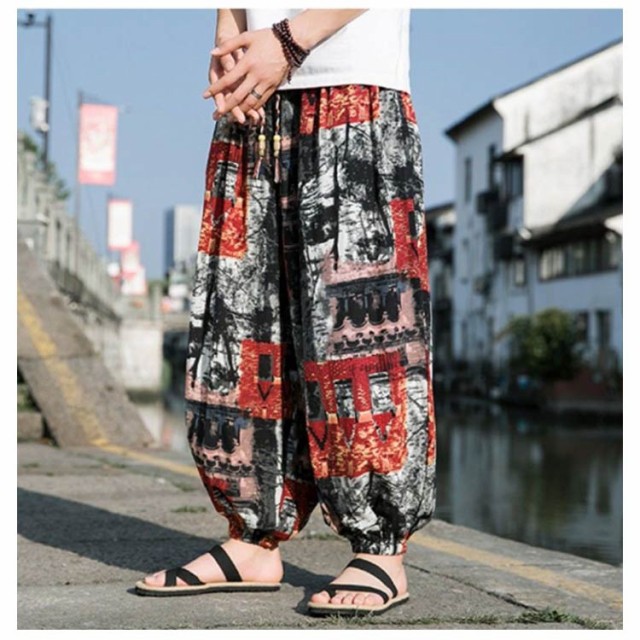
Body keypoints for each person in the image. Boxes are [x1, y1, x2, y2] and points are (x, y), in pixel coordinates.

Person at [135, 7, 437, 618]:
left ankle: (380, 548)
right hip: (256, 88)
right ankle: (253, 537)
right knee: (240, 325)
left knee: (360, 334)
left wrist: (288, 42)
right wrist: (228, 34)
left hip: (351, 84)